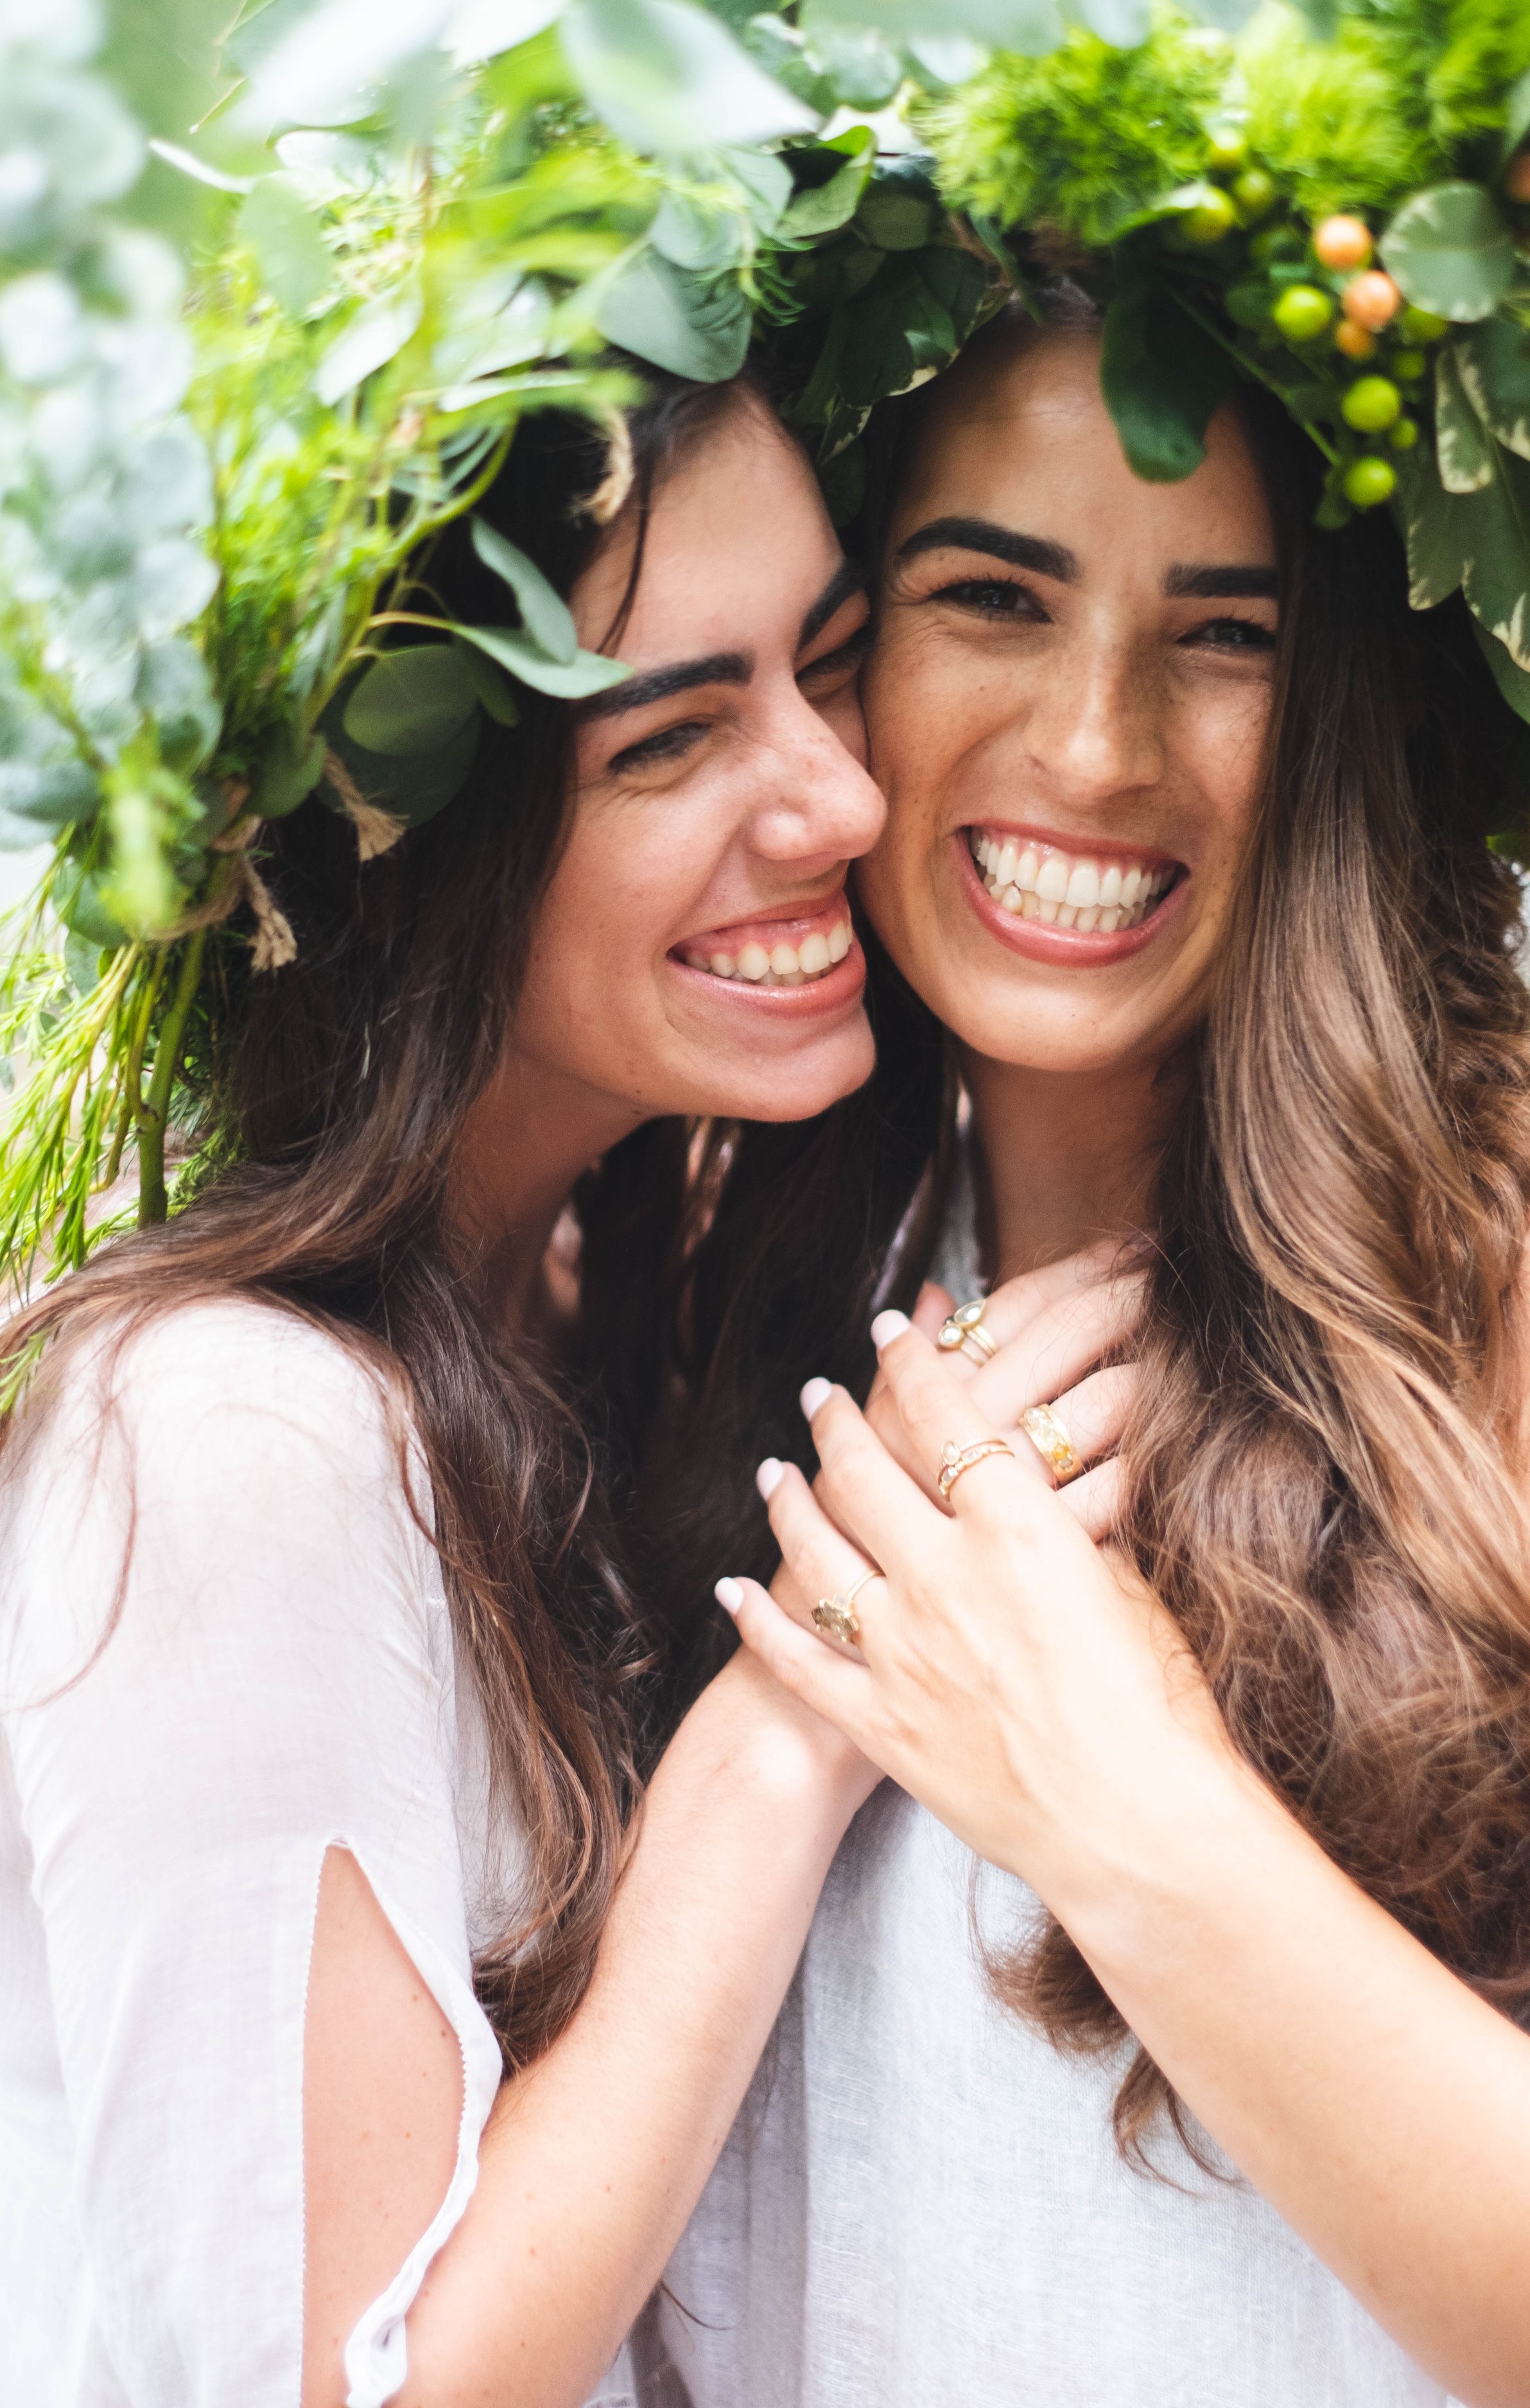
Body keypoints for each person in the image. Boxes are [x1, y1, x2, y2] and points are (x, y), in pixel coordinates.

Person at [640, 303, 1530, 2408]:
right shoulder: (699, 1265)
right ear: (838, 650)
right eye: (991, 593)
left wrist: (1105, 1784)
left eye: (1226, 635)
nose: (1093, 745)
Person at [0, 372, 889, 2408]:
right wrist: (790, 1718)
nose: (835, 798)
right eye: (672, 736)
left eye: (826, 666)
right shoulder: (226, 1437)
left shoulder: (577, 1311)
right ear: (393, 860)